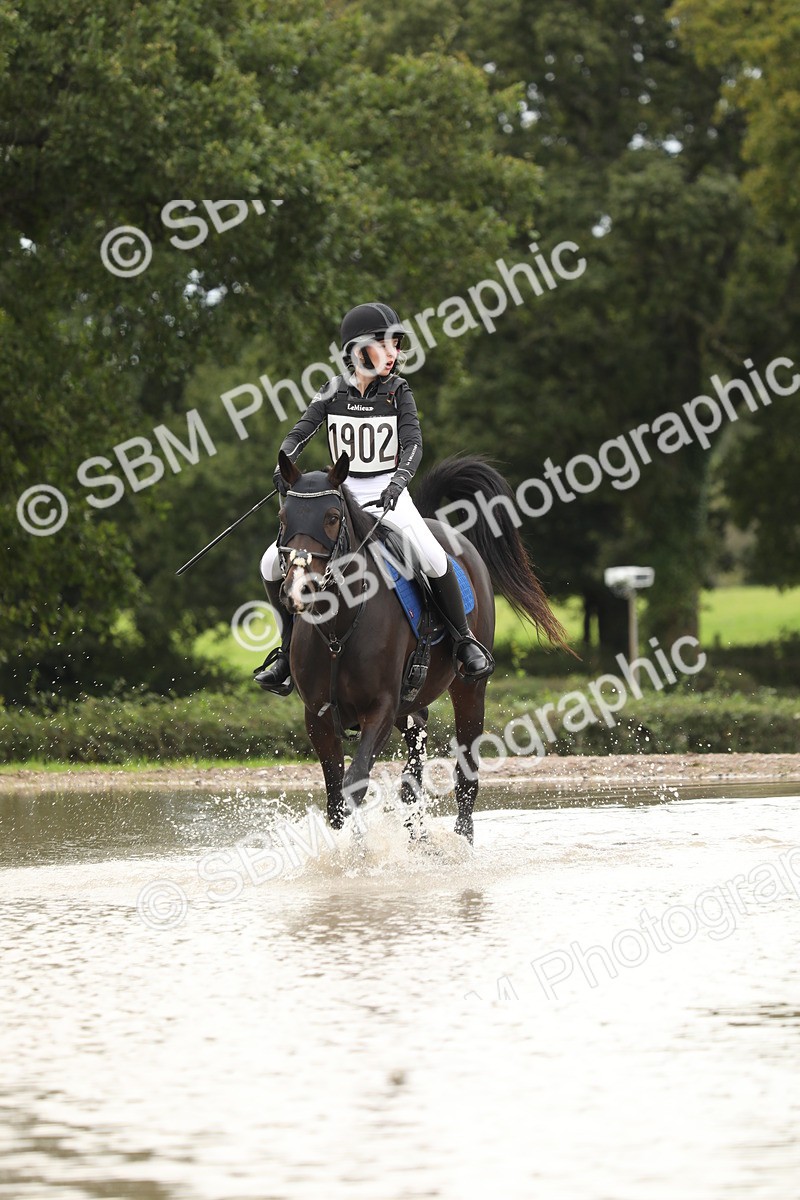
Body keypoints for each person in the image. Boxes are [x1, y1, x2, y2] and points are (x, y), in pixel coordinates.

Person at [254, 301, 493, 694]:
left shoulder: (398, 391)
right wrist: (285, 464)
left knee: (432, 557)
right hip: (341, 496)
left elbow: (414, 444)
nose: (395, 353)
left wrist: (398, 482)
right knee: (269, 563)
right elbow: (299, 433)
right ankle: (285, 650)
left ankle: (465, 641)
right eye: (387, 344)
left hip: (389, 493)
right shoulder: (331, 390)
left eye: (397, 345)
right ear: (359, 348)